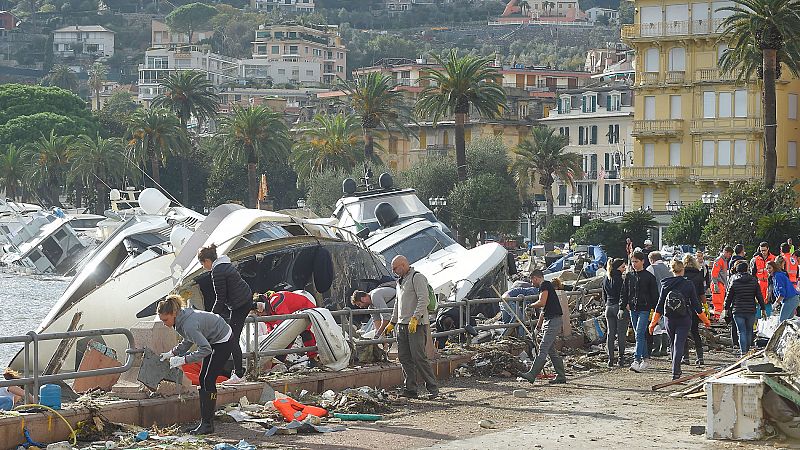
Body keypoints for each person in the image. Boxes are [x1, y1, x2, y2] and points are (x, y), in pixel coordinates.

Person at [158, 295, 232, 435]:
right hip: (213, 338)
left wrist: (183, 360)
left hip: (222, 340)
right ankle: (205, 422)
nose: (164, 323)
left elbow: (205, 349)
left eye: (165, 320)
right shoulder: (181, 318)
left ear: (173, 313)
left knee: (208, 380)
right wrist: (172, 353)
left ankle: (207, 424)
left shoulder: (188, 323)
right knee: (203, 379)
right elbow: (188, 339)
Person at [385, 255, 438, 399]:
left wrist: (415, 317)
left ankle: (432, 388)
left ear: (403, 264)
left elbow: (424, 299)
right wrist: (393, 322)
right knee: (404, 357)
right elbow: (398, 303)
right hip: (402, 325)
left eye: (395, 268)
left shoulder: (417, 277)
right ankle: (410, 388)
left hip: (416, 325)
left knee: (419, 357)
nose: (394, 271)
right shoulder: (400, 281)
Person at [649, 260, 711, 380]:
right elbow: (696, 305)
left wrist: (653, 323)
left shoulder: (666, 284)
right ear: (682, 270)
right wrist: (705, 320)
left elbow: (660, 305)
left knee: (673, 343)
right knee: (679, 343)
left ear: (672, 271)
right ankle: (675, 371)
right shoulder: (688, 284)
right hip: (684, 318)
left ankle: (675, 371)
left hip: (669, 318)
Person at [199, 244, 252, 383]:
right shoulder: (224, 264)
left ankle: (239, 374)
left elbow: (220, 298)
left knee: (232, 339)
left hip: (239, 305)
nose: (203, 267)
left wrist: (210, 317)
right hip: (245, 299)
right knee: (232, 336)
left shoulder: (217, 272)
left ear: (207, 261)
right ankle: (238, 372)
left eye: (202, 263)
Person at [519, 269, 567, 384]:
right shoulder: (547, 286)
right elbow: (543, 310)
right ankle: (561, 376)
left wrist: (530, 306)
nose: (532, 283)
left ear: (536, 278)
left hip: (552, 321)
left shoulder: (544, 285)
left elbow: (542, 302)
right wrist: (538, 327)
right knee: (551, 350)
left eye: (532, 280)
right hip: (551, 320)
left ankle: (532, 374)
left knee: (543, 348)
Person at [619, 251, 659, 373]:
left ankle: (636, 359)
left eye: (636, 261)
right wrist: (623, 306)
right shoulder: (629, 276)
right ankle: (645, 358)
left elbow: (654, 295)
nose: (634, 264)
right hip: (633, 308)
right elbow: (624, 292)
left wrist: (655, 311)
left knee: (639, 334)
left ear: (642, 262)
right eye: (632, 261)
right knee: (639, 335)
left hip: (645, 308)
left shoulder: (649, 277)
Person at [256, 291, 319, 364]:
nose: (258, 315)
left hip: (305, 308)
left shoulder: (275, 300)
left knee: (304, 333)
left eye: (257, 312)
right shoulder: (266, 312)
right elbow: (270, 327)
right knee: (287, 338)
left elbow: (284, 321)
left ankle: (313, 358)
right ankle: (277, 362)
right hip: (293, 314)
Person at [723, 261, 766, 356]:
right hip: (750, 309)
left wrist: (725, 309)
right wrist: (763, 308)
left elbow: (729, 297)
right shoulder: (754, 280)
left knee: (741, 331)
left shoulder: (734, 281)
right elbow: (759, 296)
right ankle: (747, 350)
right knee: (749, 330)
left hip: (737, 310)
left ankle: (743, 352)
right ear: (747, 269)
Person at [603, 258, 628, 368]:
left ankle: (610, 359)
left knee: (610, 333)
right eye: (623, 267)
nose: (625, 269)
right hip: (619, 306)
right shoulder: (620, 279)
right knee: (621, 333)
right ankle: (621, 358)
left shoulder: (606, 278)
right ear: (618, 268)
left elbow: (604, 295)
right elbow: (623, 294)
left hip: (608, 307)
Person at [682, 254, 706, 366]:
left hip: (683, 306)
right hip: (696, 306)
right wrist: (705, 306)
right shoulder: (698, 274)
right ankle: (700, 357)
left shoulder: (681, 274)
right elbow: (702, 293)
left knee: (684, 333)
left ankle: (685, 357)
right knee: (695, 331)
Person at [751, 242, 775, 313]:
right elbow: (753, 273)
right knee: (759, 301)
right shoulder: (756, 259)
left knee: (770, 300)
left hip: (770, 282)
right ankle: (759, 318)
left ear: (768, 249)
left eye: (764, 250)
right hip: (760, 283)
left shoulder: (773, 258)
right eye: (761, 250)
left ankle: (768, 316)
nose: (763, 252)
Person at [711, 246, 733, 318]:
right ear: (725, 252)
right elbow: (714, 273)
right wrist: (715, 284)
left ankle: (717, 317)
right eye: (729, 254)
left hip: (720, 284)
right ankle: (716, 317)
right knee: (718, 302)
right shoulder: (719, 260)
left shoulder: (723, 260)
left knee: (719, 302)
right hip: (718, 283)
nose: (730, 256)